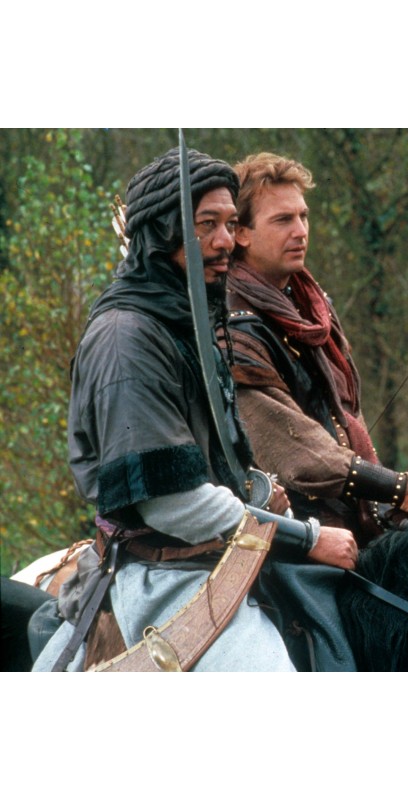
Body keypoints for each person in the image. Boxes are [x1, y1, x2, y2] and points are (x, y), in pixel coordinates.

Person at [32, 146, 357, 672]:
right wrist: (306, 538)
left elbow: (218, 466)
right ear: (161, 233)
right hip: (163, 577)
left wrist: (261, 491)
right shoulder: (126, 340)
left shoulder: (187, 322)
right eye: (206, 225)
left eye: (229, 224)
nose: (226, 241)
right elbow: (172, 505)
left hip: (225, 556)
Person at [222, 153, 408, 546]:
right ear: (241, 233)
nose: (300, 231)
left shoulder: (310, 306)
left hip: (349, 518)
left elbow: (345, 417)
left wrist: (386, 501)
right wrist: (397, 488)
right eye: (283, 220)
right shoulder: (233, 327)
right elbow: (296, 450)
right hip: (290, 534)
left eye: (303, 216)